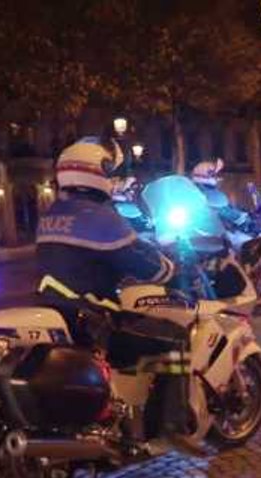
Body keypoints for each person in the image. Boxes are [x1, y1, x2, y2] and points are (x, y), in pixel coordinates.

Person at [34, 138, 203, 451]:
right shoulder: (100, 217)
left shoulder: (52, 213)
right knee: (175, 337)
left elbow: (87, 260)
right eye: (109, 171)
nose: (112, 179)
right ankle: (169, 426)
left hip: (59, 310)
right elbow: (145, 263)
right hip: (95, 319)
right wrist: (172, 266)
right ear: (95, 172)